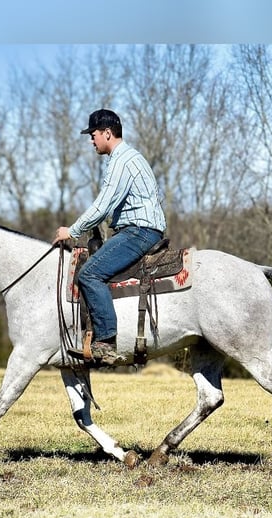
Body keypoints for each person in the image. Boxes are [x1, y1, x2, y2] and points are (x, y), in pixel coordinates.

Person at [53, 109, 166, 364]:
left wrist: (72, 231)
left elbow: (103, 204)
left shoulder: (122, 160)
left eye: (93, 135)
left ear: (107, 133)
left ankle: (105, 342)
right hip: (140, 229)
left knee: (90, 273)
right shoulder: (128, 158)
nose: (91, 141)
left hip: (139, 231)